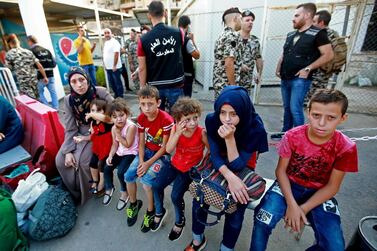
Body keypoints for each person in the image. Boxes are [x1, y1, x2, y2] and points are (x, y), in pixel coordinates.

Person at [250, 89, 358, 251]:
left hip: (319, 192)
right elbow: (281, 171)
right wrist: (292, 204)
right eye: (316, 115)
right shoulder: (292, 136)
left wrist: (303, 209)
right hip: (289, 185)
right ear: (308, 113)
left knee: (335, 246)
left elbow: (333, 186)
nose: (321, 123)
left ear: (343, 118)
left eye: (331, 118)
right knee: (262, 221)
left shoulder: (346, 147)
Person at [185, 86, 268, 251]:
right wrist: (230, 177)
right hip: (219, 163)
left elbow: (238, 164)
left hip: (243, 164)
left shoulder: (255, 128)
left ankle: (226, 248)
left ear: (243, 112)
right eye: (223, 112)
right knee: (199, 198)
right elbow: (214, 154)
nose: (227, 119)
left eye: (234, 114)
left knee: (237, 208)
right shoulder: (212, 119)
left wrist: (229, 139)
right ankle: (197, 240)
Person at [272, 3, 334, 139]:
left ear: (307, 15)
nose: (293, 19)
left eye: (296, 15)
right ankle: (285, 133)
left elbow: (328, 54)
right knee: (287, 108)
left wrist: (308, 68)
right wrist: (278, 68)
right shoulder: (291, 35)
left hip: (300, 79)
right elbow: (285, 54)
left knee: (295, 108)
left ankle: (300, 137)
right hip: (286, 77)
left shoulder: (318, 34)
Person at [55, 67, 113, 205]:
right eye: (73, 81)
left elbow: (116, 113)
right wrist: (68, 150)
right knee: (60, 160)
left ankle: (93, 188)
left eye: (81, 79)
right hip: (80, 131)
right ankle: (75, 191)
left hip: (102, 131)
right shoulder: (69, 100)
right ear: (70, 84)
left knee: (83, 161)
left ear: (87, 78)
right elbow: (70, 128)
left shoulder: (101, 92)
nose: (79, 85)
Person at [124, 86, 174, 233]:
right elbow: (141, 142)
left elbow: (165, 148)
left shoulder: (166, 119)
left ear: (158, 103)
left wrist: (147, 164)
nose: (146, 108)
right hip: (145, 152)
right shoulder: (141, 118)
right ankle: (134, 203)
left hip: (161, 156)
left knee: (146, 182)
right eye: (143, 104)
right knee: (128, 176)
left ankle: (151, 210)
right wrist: (141, 161)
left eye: (150, 104)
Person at [165, 97, 209, 241]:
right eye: (187, 119)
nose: (192, 123)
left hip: (190, 170)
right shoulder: (175, 129)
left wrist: (203, 163)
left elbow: (211, 150)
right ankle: (159, 212)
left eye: (195, 118)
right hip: (176, 164)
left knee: (175, 195)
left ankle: (179, 221)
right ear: (178, 120)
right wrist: (177, 133)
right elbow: (169, 149)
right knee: (155, 184)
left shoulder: (201, 133)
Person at [138, 0, 185, 111]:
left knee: (158, 118)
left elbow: (142, 68)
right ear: (165, 13)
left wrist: (142, 88)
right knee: (179, 117)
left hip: (155, 87)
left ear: (149, 15)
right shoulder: (179, 32)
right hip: (176, 83)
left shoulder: (143, 40)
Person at [72, 98, 113, 196]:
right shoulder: (93, 123)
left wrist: (91, 114)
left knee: (102, 165)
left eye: (98, 110)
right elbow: (92, 136)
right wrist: (82, 138)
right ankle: (95, 181)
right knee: (92, 163)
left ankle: (102, 184)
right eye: (92, 110)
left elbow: (105, 118)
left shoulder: (108, 120)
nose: (94, 113)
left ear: (104, 111)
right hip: (98, 146)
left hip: (108, 147)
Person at [103, 98, 138, 211]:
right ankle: (109, 188)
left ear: (126, 114)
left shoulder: (131, 127)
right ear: (111, 118)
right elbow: (114, 144)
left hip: (131, 152)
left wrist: (118, 134)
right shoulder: (114, 128)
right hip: (120, 152)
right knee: (107, 168)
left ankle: (124, 192)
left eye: (121, 115)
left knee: (121, 172)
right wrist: (110, 155)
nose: (119, 119)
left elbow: (127, 144)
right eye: (115, 116)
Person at [306, 10, 341, 102]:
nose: (312, 24)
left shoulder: (322, 35)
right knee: (319, 95)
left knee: (312, 98)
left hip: (318, 71)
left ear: (321, 23)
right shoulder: (334, 33)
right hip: (327, 70)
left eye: (314, 21)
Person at [5, 33, 48, 99]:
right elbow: (39, 66)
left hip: (24, 82)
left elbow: (8, 70)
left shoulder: (9, 54)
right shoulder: (28, 52)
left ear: (9, 44)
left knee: (30, 102)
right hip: (34, 80)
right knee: (38, 100)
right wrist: (45, 77)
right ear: (18, 41)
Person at [212, 7, 243, 98]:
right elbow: (228, 63)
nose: (242, 22)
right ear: (235, 19)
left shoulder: (222, 35)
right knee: (229, 111)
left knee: (221, 111)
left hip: (220, 84)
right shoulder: (232, 36)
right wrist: (233, 87)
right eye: (241, 19)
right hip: (227, 86)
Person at [27, 35, 59, 110]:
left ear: (30, 41)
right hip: (51, 75)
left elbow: (31, 65)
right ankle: (56, 108)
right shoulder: (47, 50)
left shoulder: (31, 51)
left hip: (40, 76)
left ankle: (48, 108)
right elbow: (54, 63)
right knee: (53, 92)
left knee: (39, 93)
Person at [239, 10, 263, 94]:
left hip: (247, 80)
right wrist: (239, 65)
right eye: (247, 20)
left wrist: (259, 73)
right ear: (241, 21)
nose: (250, 22)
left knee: (244, 102)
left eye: (252, 20)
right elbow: (226, 58)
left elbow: (258, 57)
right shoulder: (233, 38)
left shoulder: (255, 40)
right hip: (233, 78)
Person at [178, 15, 201, 97]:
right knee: (186, 100)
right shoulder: (187, 41)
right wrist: (192, 40)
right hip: (187, 74)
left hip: (176, 75)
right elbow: (197, 56)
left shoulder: (173, 38)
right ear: (187, 26)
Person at [103, 28, 124, 98]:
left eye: (108, 32)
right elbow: (105, 54)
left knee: (117, 83)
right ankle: (116, 95)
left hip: (115, 67)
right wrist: (105, 65)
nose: (106, 34)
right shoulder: (106, 43)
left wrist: (114, 65)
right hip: (108, 67)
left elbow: (116, 54)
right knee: (112, 83)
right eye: (105, 33)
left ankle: (120, 96)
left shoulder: (115, 42)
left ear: (111, 33)